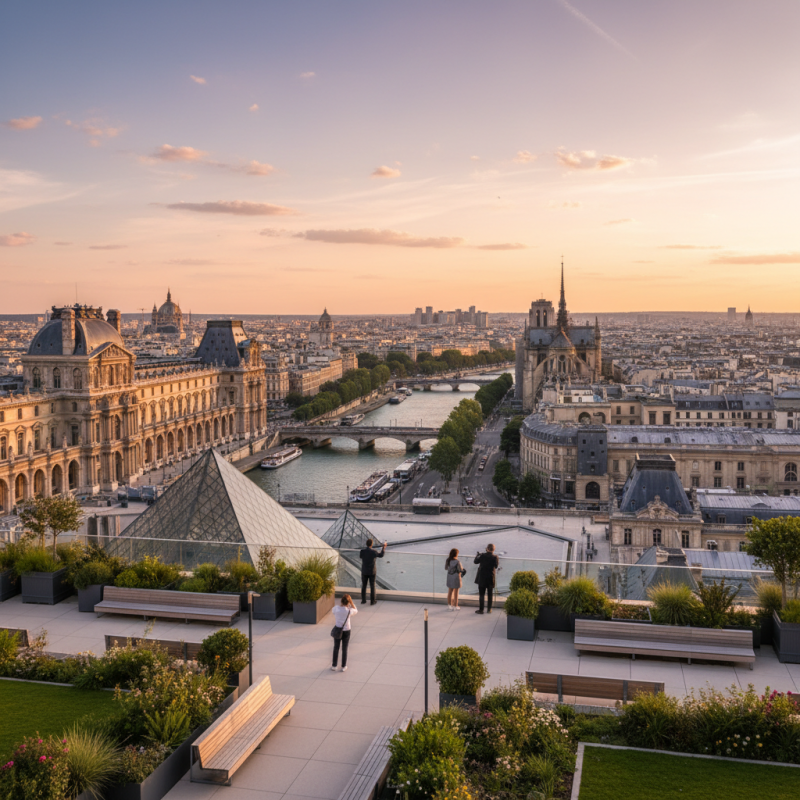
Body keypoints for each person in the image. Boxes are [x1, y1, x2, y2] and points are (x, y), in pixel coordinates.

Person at [331, 594, 357, 672]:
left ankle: (334, 665)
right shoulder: (349, 611)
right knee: (344, 648)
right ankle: (343, 666)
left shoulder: (336, 609)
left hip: (338, 629)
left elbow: (333, 611)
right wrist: (352, 603)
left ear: (341, 601)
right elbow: (356, 610)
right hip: (346, 630)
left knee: (336, 647)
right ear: (348, 602)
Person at [359, 538, 387, 605]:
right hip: (372, 571)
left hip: (364, 571)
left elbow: (361, 557)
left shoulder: (362, 551)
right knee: (372, 586)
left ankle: (363, 600)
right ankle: (372, 601)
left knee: (364, 586)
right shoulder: (374, 552)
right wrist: (384, 548)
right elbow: (381, 555)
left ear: (366, 544)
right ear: (371, 544)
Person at [474, 543, 500, 614]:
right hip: (490, 578)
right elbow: (496, 566)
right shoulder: (495, 557)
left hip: (482, 577)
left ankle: (481, 609)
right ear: (493, 549)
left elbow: (475, 562)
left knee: (481, 594)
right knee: (490, 594)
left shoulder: (482, 555)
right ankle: (489, 609)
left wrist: (477, 555)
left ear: (487, 549)